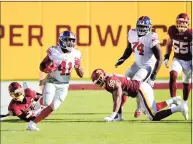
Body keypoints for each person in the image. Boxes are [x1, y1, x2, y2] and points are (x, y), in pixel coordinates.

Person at [27, 30, 84, 131]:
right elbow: (41, 66)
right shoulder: (54, 51)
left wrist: (78, 67)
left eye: (72, 40)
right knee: (46, 101)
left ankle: (33, 124)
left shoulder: (76, 53)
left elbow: (81, 74)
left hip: (64, 84)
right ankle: (34, 108)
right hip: (52, 81)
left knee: (54, 106)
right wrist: (46, 69)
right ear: (61, 41)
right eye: (68, 40)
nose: (71, 43)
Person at [91, 68, 188, 122]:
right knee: (151, 110)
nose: (99, 83)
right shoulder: (109, 81)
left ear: (103, 76)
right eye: (97, 82)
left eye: (99, 80)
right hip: (139, 90)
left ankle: (179, 108)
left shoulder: (110, 82)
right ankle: (174, 100)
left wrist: (112, 116)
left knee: (153, 116)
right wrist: (119, 116)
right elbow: (115, 97)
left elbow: (118, 97)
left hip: (141, 90)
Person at [115, 16, 162, 119]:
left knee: (135, 84)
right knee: (122, 83)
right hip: (136, 64)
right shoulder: (132, 33)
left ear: (149, 27)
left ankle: (139, 107)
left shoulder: (151, 37)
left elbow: (160, 58)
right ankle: (119, 112)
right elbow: (129, 48)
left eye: (144, 27)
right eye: (140, 26)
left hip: (147, 66)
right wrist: (123, 58)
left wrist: (153, 76)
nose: (141, 29)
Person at [164, 13, 192, 120]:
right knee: (173, 74)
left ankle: (184, 102)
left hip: (189, 61)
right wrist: (166, 56)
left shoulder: (190, 34)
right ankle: (174, 100)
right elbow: (169, 44)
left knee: (186, 83)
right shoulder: (172, 30)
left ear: (187, 23)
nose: (181, 24)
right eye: (180, 22)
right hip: (178, 59)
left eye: (184, 22)